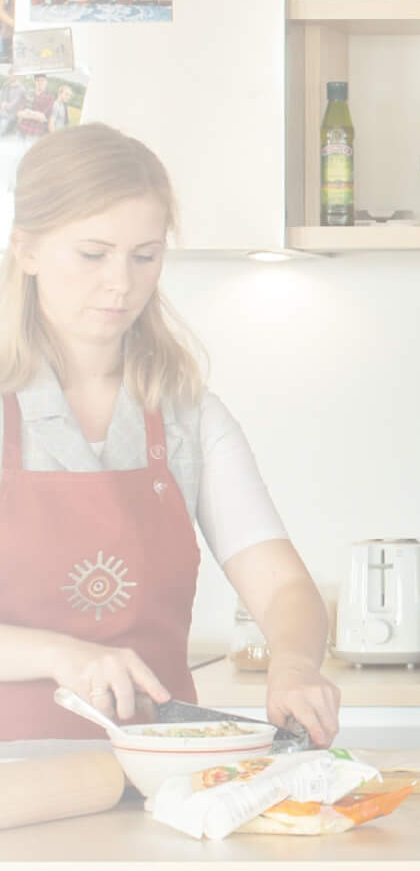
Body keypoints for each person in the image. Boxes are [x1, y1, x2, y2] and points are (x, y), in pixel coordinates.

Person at [0, 123, 340, 744]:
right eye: (93, 253)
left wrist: (293, 662)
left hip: (157, 776)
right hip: (14, 792)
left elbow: (284, 586)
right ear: (26, 250)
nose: (121, 283)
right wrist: (61, 655)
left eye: (145, 255)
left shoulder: (189, 417)